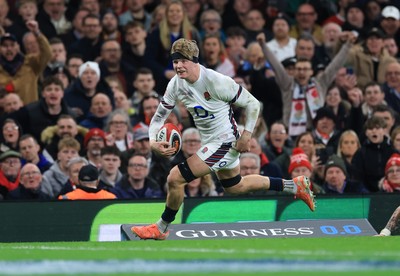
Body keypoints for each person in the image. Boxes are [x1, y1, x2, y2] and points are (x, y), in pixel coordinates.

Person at [130, 38, 316, 240]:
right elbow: (158, 118)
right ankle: (294, 185)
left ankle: (161, 227)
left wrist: (246, 136)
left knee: (175, 177)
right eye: (175, 61)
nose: (178, 65)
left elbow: (253, 104)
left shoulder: (216, 81)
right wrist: (152, 142)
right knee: (236, 186)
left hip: (226, 142)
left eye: (183, 61)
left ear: (194, 60)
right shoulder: (175, 84)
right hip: (210, 142)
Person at [0, 20, 52, 105]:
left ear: (18, 47)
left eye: (12, 45)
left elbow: (47, 54)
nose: (9, 49)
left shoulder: (31, 63)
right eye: (5, 46)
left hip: (29, 113)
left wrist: (37, 33)